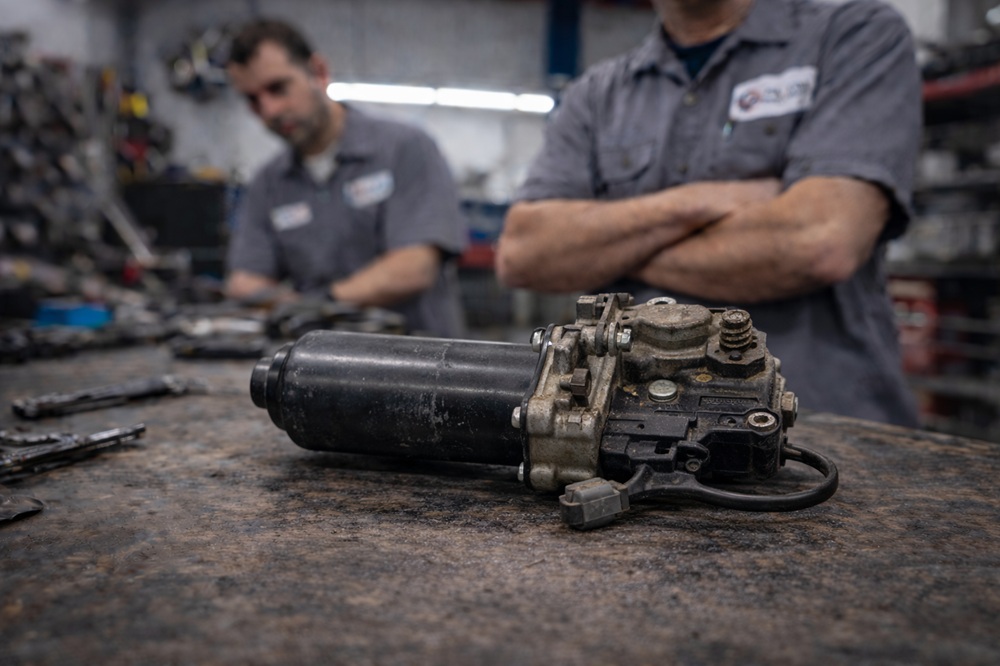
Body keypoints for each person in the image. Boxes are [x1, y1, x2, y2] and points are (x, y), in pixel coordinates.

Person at [495, 0, 921, 426]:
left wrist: (607, 249)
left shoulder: (851, 35)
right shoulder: (598, 93)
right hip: (628, 422)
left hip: (822, 425)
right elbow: (524, 254)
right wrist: (702, 202)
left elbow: (821, 241)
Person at [224, 19, 467, 337]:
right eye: (252, 100)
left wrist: (319, 305)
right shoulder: (268, 183)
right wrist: (297, 306)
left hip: (420, 365)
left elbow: (414, 267)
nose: (268, 110)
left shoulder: (404, 149)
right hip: (317, 367)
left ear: (319, 73)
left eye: (278, 88)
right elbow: (244, 281)